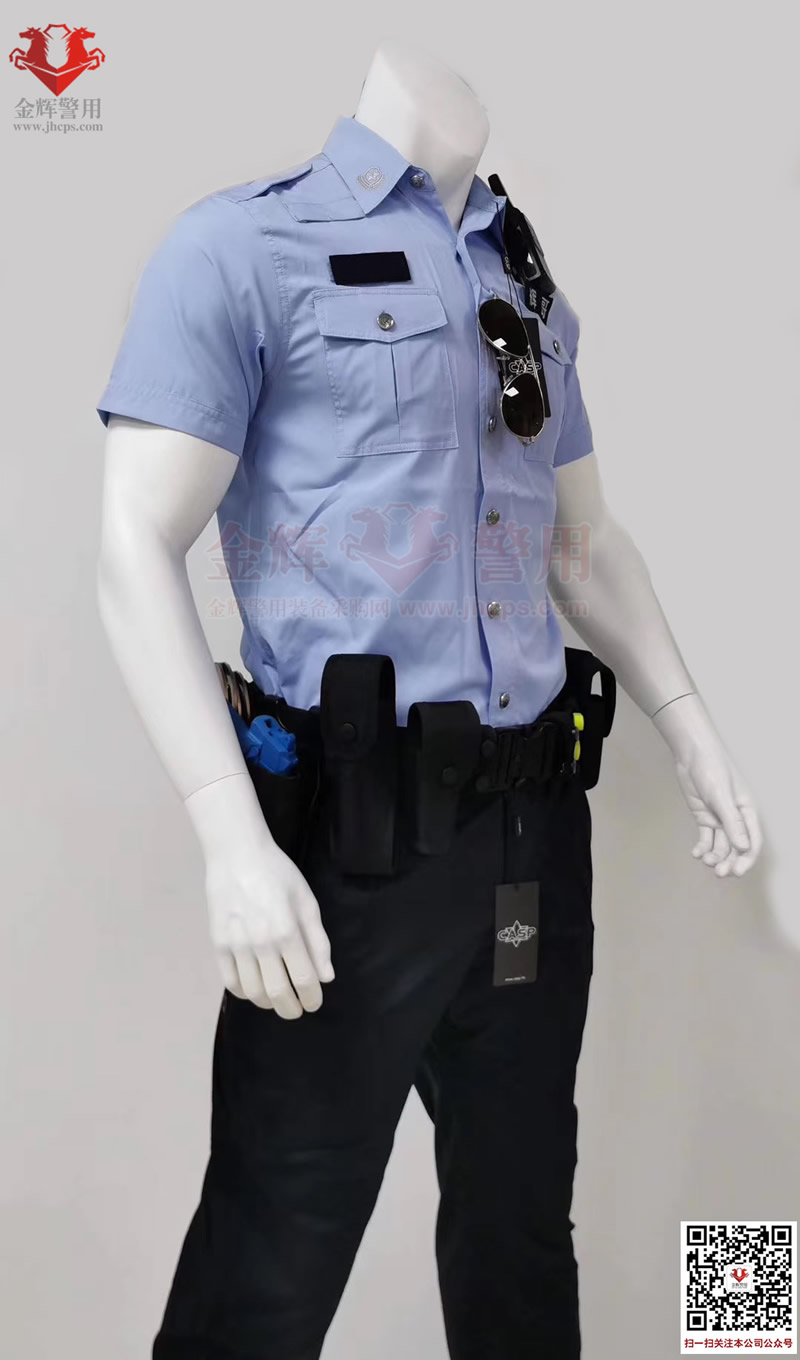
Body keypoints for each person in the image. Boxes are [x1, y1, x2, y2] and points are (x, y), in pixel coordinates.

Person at [95, 37, 762, 1360]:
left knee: (521, 1234)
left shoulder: (524, 275)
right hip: (352, 846)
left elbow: (581, 544)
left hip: (532, 840)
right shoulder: (244, 248)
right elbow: (132, 540)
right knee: (272, 1251)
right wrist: (229, 834)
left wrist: (692, 724)